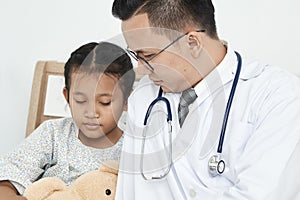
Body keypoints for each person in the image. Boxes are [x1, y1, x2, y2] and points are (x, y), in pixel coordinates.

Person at [111, 0, 300, 199]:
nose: (140, 68)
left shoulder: (279, 96)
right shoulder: (143, 98)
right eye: (136, 55)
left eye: (147, 55)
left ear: (193, 42)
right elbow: (130, 192)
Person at [0, 41, 135, 200]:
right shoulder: (53, 134)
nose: (91, 112)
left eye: (105, 102)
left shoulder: (133, 147)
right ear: (67, 96)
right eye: (80, 100)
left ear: (126, 100)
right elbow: (8, 177)